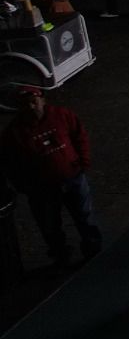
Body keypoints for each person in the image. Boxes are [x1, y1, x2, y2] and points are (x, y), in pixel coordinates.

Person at [0, 85, 101, 270]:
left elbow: (79, 136)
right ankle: (61, 256)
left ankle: (94, 248)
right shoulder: (13, 133)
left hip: (73, 179)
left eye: (33, 102)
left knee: (85, 217)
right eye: (25, 104)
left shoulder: (61, 115)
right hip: (42, 189)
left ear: (42, 100)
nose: (31, 107)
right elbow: (9, 163)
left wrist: (83, 161)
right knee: (50, 226)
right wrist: (24, 186)